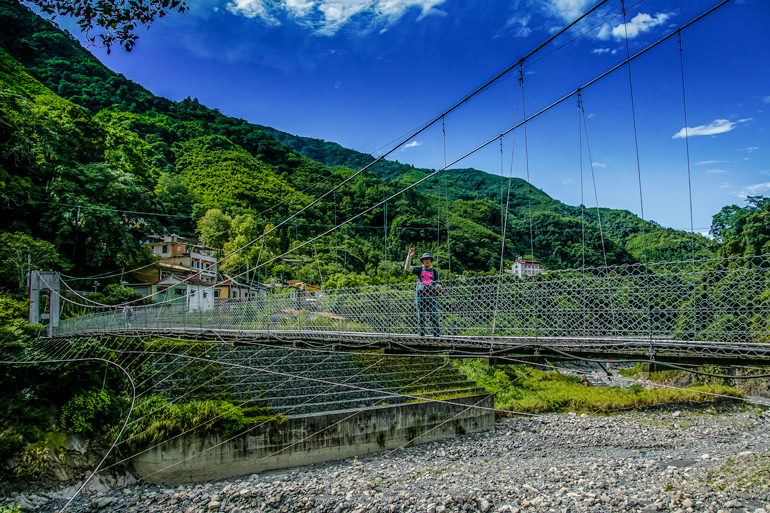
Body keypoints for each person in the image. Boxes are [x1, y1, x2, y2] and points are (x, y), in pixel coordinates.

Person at [404, 248, 441, 337]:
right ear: (423, 261)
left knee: (434, 315)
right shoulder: (419, 269)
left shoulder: (435, 271)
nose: (427, 260)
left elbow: (438, 283)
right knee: (420, 316)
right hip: (420, 295)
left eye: (428, 259)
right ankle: (421, 335)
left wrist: (438, 287)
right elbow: (407, 268)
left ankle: (436, 335)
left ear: (430, 260)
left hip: (431, 295)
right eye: (425, 259)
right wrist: (409, 257)